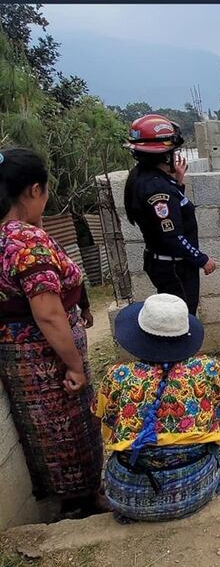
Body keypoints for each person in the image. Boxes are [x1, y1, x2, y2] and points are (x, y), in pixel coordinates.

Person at [0, 148, 104, 516]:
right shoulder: (27, 243)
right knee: (69, 430)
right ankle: (84, 502)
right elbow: (47, 313)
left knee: (45, 433)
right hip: (46, 359)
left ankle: (73, 502)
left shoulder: (11, 235)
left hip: (20, 356)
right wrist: (73, 365)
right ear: (33, 190)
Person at [94, 293, 220, 522]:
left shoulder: (117, 375)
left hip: (128, 498)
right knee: (218, 448)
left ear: (138, 335)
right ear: (185, 335)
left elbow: (98, 420)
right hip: (196, 489)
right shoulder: (209, 369)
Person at [123, 114, 217, 315]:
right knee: (181, 318)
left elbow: (170, 214)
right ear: (164, 155)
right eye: (173, 152)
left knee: (179, 318)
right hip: (174, 267)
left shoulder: (150, 179)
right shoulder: (157, 188)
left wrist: (178, 183)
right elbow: (171, 235)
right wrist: (201, 258)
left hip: (168, 264)